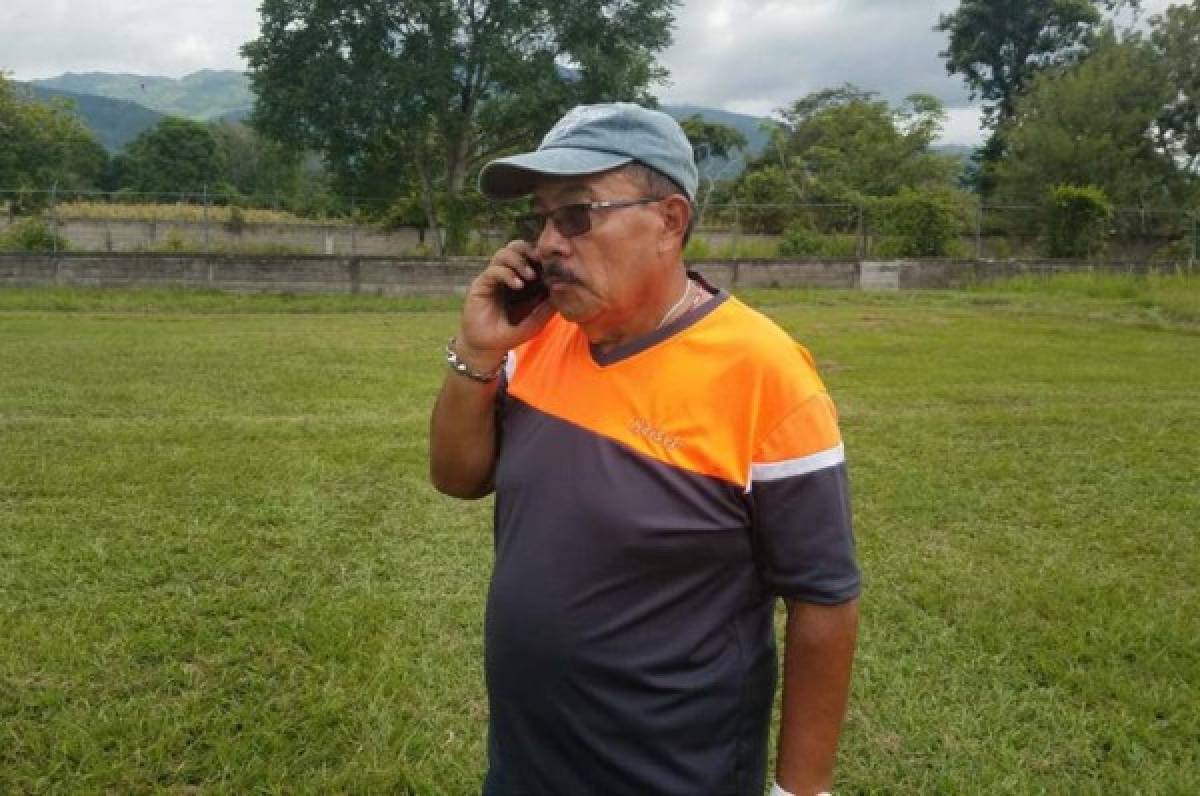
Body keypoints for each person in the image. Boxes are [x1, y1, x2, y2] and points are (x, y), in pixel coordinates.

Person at [429, 103, 860, 796]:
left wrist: (800, 793)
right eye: (539, 218)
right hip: (524, 767)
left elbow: (824, 602)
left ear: (669, 221)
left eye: (575, 214)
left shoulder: (766, 376)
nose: (545, 243)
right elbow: (456, 477)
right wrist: (479, 351)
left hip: (675, 776)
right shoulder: (536, 335)